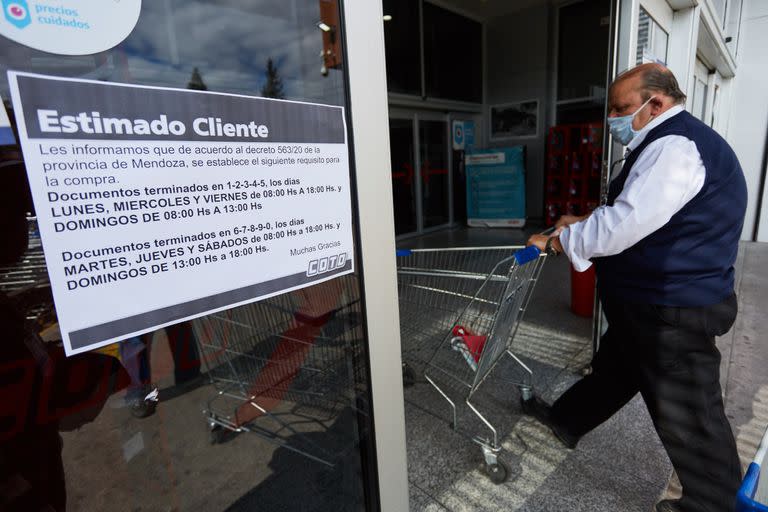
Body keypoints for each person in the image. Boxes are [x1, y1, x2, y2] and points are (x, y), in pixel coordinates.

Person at [526, 63, 747, 512]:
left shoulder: (675, 147)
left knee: (689, 410)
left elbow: (628, 223)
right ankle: (567, 420)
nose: (613, 118)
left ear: (657, 103)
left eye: (621, 108)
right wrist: (583, 219)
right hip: (651, 303)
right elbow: (644, 210)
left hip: (672, 307)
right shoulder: (668, 142)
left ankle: (712, 502)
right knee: (616, 369)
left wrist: (557, 241)